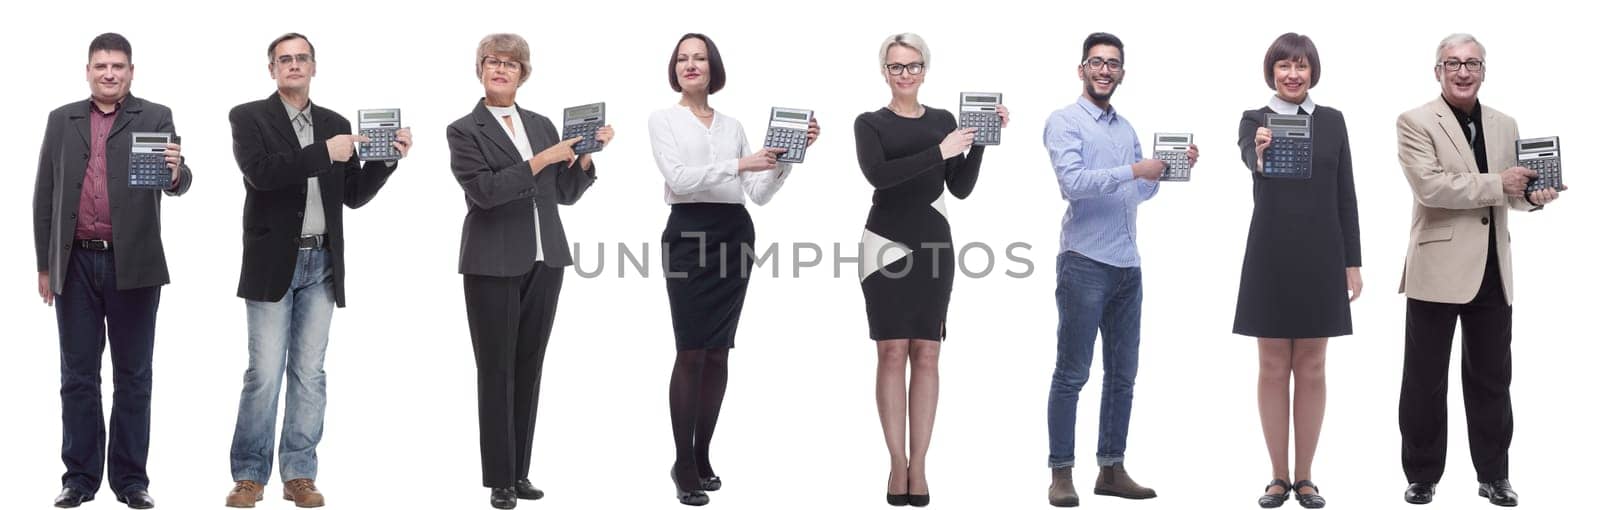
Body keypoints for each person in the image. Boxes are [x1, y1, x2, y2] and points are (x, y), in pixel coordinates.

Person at [224, 32, 411, 509]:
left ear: (313, 66)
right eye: (283, 59)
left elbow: (352, 194)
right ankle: (249, 475)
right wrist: (327, 152)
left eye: (301, 58)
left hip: (323, 261)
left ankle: (300, 474)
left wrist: (386, 159)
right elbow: (261, 174)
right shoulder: (249, 117)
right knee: (263, 373)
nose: (293, 65)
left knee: (310, 372)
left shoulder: (335, 122)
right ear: (271, 69)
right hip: (272, 263)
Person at [647, 32, 819, 507]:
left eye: (699, 57)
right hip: (688, 235)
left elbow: (757, 193)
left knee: (719, 351)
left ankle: (703, 455)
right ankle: (682, 461)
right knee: (690, 350)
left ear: (713, 66)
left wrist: (785, 160)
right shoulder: (662, 119)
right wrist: (743, 161)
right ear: (674, 68)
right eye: (682, 58)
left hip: (733, 233)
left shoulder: (731, 123)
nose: (690, 64)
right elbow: (679, 178)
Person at [1394, 33, 1563, 508]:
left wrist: (1532, 197)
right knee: (1425, 379)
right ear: (1438, 71)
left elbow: (1510, 194)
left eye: (1472, 63)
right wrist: (1500, 183)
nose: (1463, 71)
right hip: (1437, 266)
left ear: (1484, 71)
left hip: (1493, 267)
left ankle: (1494, 475)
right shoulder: (1415, 121)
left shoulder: (1504, 124)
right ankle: (1422, 475)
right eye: (1453, 63)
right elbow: (1431, 187)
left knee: (1492, 379)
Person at [445, 32, 611, 510]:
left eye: (510, 65)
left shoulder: (541, 124)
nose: (500, 70)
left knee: (529, 368)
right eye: (492, 62)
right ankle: (499, 478)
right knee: (496, 370)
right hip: (491, 262)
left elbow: (564, 194)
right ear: (480, 69)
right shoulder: (463, 129)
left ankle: (519, 472)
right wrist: (543, 160)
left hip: (546, 258)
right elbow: (486, 192)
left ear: (523, 74)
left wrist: (583, 156)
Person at [33, 32, 192, 510]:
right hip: (75, 263)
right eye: (101, 66)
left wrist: (177, 172)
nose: (109, 74)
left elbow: (178, 183)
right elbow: (44, 195)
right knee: (78, 375)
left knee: (134, 374)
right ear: (87, 70)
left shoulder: (156, 116)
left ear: (131, 72)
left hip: (135, 264)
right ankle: (79, 479)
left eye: (118, 66)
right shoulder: (62, 120)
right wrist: (45, 265)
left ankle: (130, 481)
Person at [1042, 32, 1196, 508]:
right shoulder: (1064, 122)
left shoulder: (1126, 128)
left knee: (1123, 374)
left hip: (1128, 267)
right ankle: (1061, 473)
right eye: (1096, 62)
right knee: (1072, 373)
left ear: (1121, 73)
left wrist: (1166, 171)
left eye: (1112, 64)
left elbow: (1136, 194)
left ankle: (1110, 468)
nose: (1104, 70)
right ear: (1082, 69)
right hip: (1084, 263)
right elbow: (1073, 184)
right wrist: (1135, 170)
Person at [853, 32, 1001, 508]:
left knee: (929, 355)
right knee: (891, 353)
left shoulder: (943, 121)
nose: (905, 74)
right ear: (884, 71)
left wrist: (977, 143)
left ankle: (922, 464)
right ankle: (897, 463)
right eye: (896, 67)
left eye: (913, 66)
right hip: (885, 246)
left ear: (925, 69)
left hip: (934, 243)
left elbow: (959, 189)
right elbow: (881, 176)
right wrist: (940, 150)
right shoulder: (869, 123)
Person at [1234, 32, 1361, 510]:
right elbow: (1250, 159)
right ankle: (1277, 477)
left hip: (1323, 252)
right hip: (1270, 252)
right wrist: (1260, 149)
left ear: (1312, 72)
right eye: (1284, 66)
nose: (1292, 74)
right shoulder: (1254, 120)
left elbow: (1345, 192)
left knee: (1311, 366)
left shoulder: (1333, 121)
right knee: (1271, 366)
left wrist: (1353, 260)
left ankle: (1305, 478)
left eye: (1301, 66)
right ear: (1272, 72)